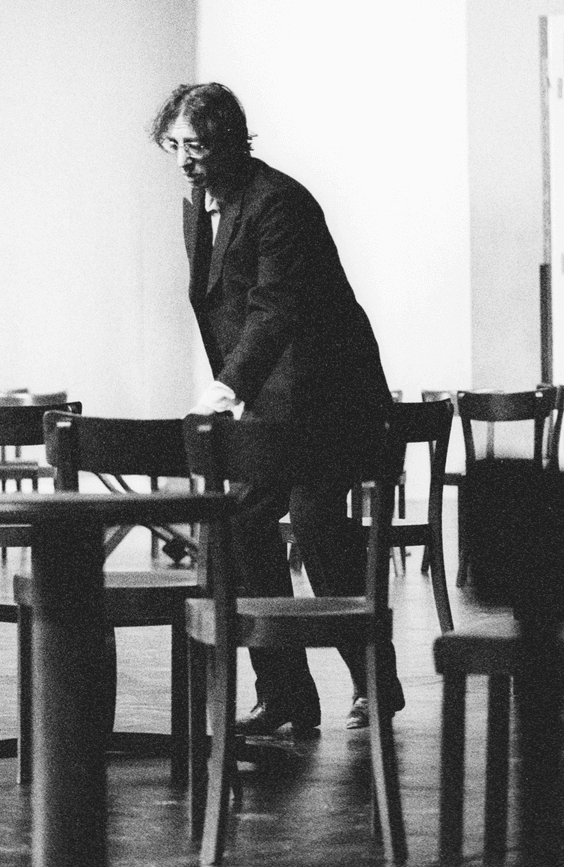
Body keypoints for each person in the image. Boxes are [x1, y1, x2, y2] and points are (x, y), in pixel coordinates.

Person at [152, 82, 404, 733]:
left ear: (230, 142)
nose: (184, 160)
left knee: (318, 520)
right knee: (239, 524)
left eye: (197, 146)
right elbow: (220, 311)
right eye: (174, 145)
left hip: (329, 395)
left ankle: (375, 681)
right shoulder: (198, 206)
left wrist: (229, 388)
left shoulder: (279, 203)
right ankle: (286, 692)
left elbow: (275, 310)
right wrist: (238, 390)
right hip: (272, 398)